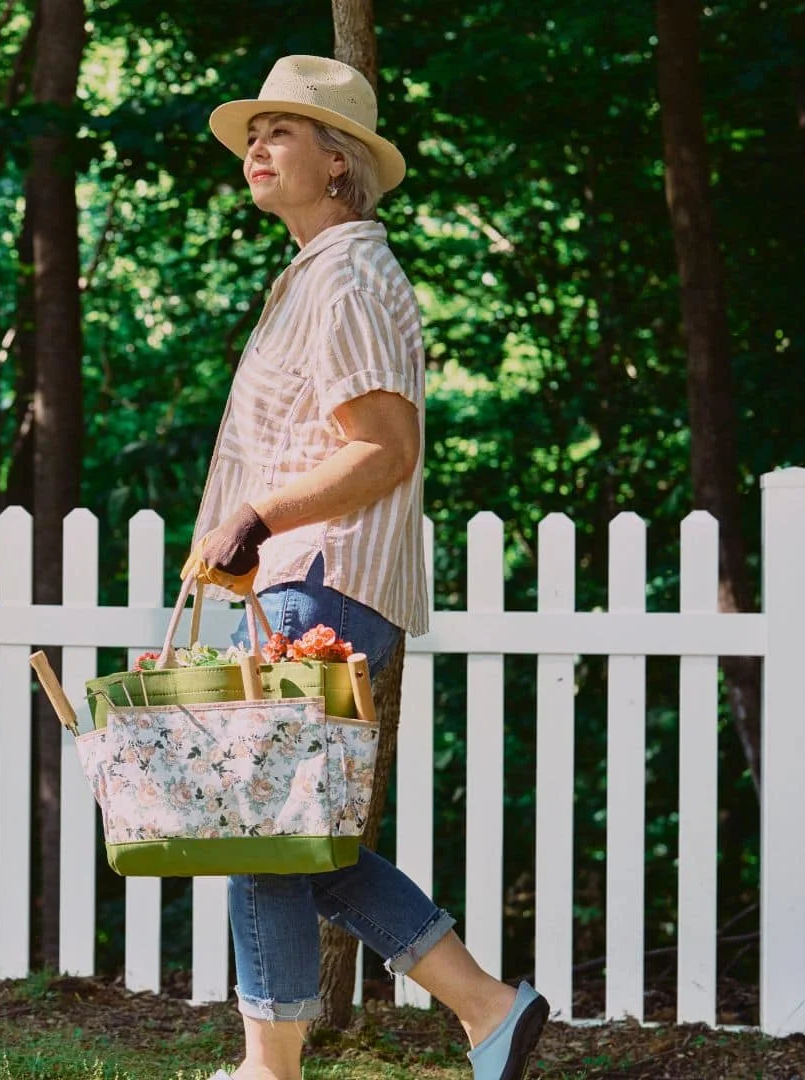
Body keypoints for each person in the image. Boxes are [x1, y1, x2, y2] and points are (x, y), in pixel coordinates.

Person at [186, 56, 549, 1080]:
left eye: (284, 134)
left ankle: (271, 1070)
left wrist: (259, 510)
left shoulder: (345, 272)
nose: (258, 150)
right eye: (255, 134)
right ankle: (488, 1007)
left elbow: (383, 447)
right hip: (312, 580)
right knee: (308, 838)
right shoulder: (323, 270)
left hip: (325, 578)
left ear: (340, 162)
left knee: (263, 832)